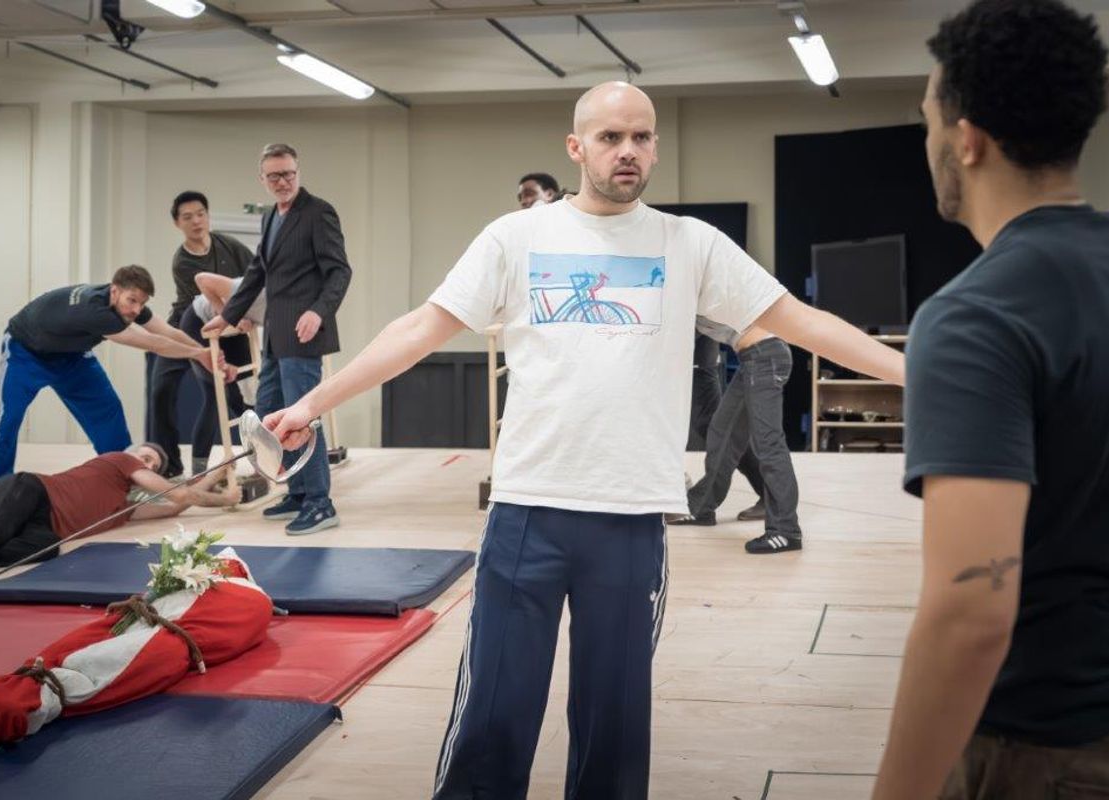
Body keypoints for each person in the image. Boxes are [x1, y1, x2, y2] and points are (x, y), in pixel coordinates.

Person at [263, 81, 904, 799]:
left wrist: (911, 376)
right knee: (494, 717)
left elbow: (801, 320)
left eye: (640, 137)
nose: (626, 151)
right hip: (527, 511)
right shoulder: (516, 237)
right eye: (609, 137)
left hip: (631, 519)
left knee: (613, 725)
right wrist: (313, 402)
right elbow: (419, 329)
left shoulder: (689, 244)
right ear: (576, 147)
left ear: (655, 146)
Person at [872, 2, 1109, 798]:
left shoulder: (976, 316)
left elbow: (971, 611)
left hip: (1045, 750)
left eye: (928, 119)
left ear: (965, 139)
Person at [0, 266, 221, 506]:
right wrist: (198, 355)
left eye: (142, 303)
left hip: (71, 356)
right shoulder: (94, 311)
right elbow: (153, 343)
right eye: (132, 300)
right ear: (114, 291)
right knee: (10, 418)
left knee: (107, 409)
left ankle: (125, 481)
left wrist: (204, 350)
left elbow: (166, 331)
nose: (136, 309)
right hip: (26, 351)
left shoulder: (126, 304)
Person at [203, 143, 353, 536]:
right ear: (263, 179)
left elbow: (340, 271)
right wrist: (227, 315)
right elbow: (257, 273)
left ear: (298, 172)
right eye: (274, 176)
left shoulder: (318, 212)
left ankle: (321, 502)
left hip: (304, 334)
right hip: (275, 335)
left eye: (288, 173)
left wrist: (318, 312)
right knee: (269, 410)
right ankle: (299, 493)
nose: (282, 182)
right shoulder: (272, 216)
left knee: (303, 417)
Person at [0, 444, 239, 596]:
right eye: (146, 456)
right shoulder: (120, 460)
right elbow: (179, 495)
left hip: (46, 529)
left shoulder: (120, 507)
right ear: (133, 454)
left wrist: (218, 474)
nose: (148, 463)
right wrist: (224, 499)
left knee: (42, 549)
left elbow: (174, 505)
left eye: (154, 464)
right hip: (32, 490)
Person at [148, 191, 253, 477]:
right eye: (187, 217)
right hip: (189, 326)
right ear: (177, 223)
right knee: (161, 390)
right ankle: (173, 465)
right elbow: (206, 306)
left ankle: (263, 456)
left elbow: (255, 273)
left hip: (231, 326)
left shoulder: (227, 244)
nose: (196, 221)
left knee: (235, 397)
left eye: (201, 214)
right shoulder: (182, 261)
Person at [673, 323, 799, 553]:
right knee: (722, 433)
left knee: (768, 443)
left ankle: (785, 531)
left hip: (766, 356)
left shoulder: (697, 291)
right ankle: (701, 508)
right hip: (752, 359)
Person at [182, 272, 267, 475]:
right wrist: (229, 315)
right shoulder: (260, 292)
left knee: (247, 401)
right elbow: (202, 279)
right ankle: (198, 473)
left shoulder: (294, 305)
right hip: (199, 323)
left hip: (234, 333)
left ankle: (264, 462)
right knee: (215, 396)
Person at [687, 333, 767, 522]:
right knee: (713, 426)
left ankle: (771, 493)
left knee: (713, 426)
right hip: (677, 347)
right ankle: (771, 494)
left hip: (695, 344)